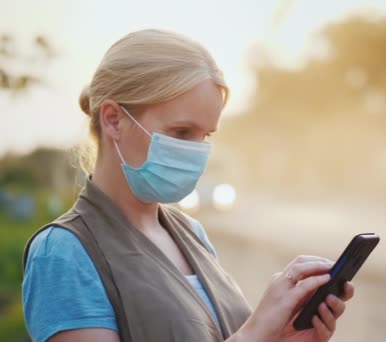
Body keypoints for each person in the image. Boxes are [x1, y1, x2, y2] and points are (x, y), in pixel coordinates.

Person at [21, 29, 354, 342]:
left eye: (204, 136)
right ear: (113, 119)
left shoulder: (191, 233)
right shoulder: (63, 253)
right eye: (181, 132)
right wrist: (252, 334)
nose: (196, 152)